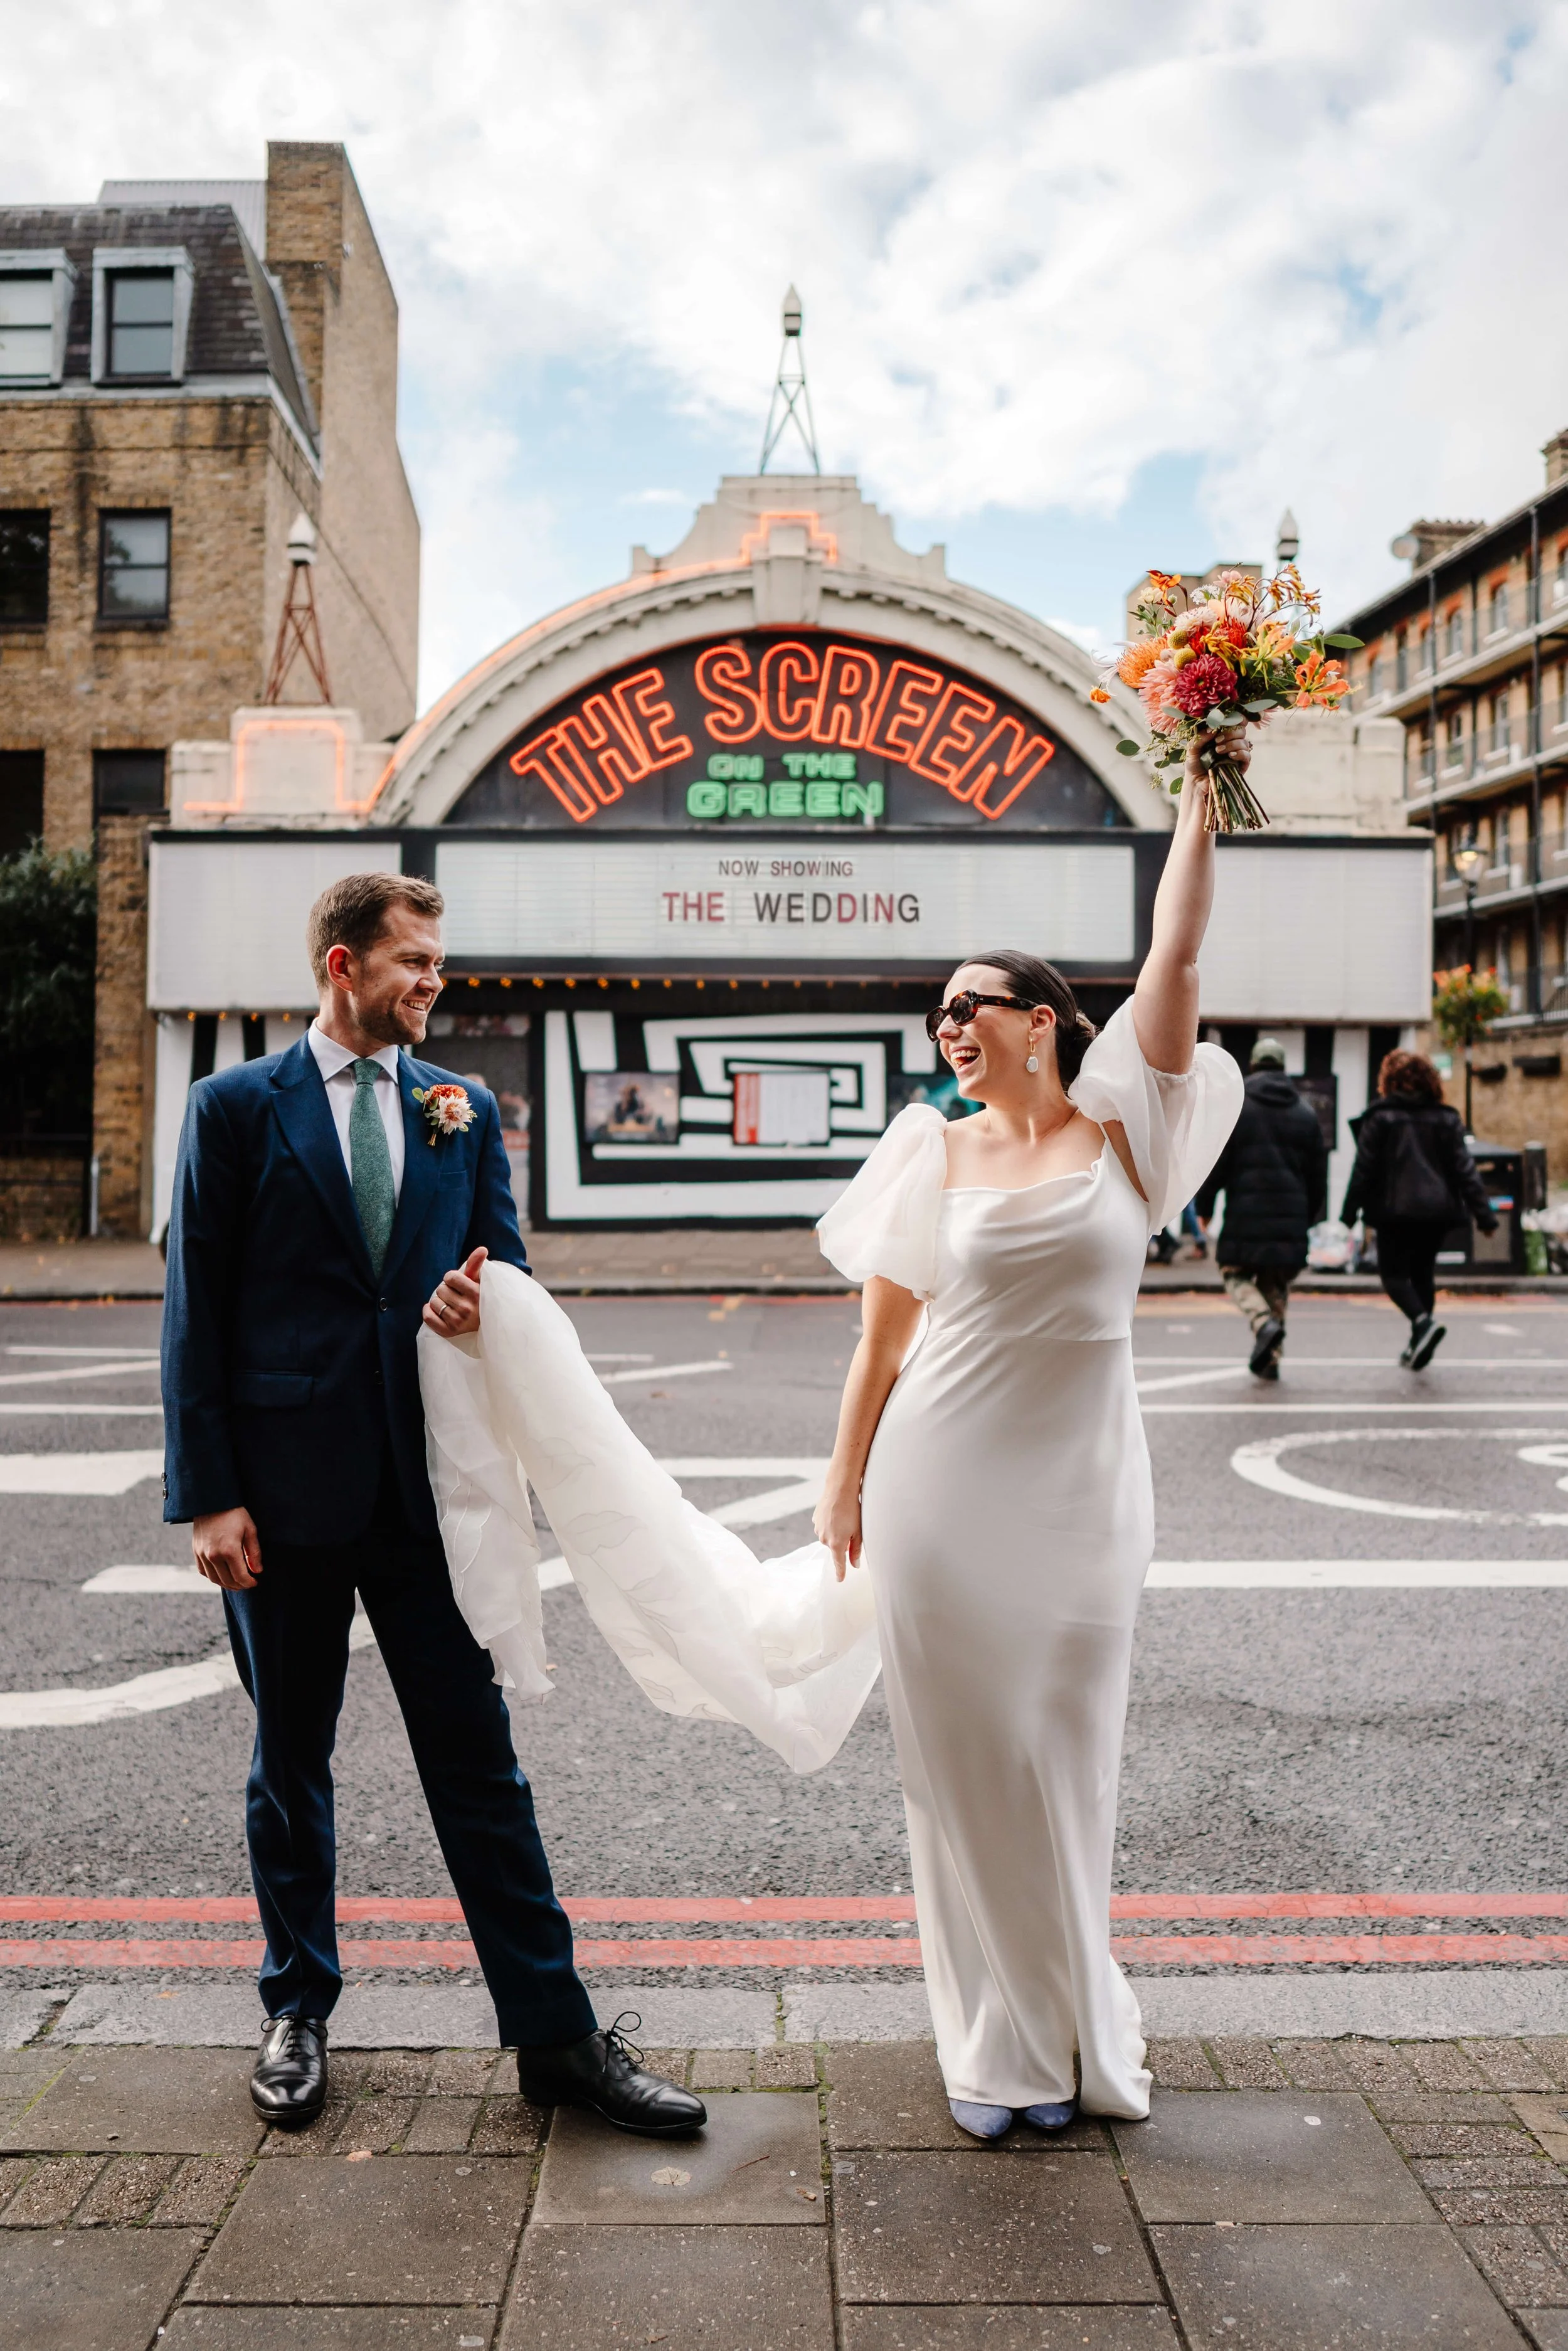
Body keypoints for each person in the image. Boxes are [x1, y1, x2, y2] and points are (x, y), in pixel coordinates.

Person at [161, 871, 704, 2140]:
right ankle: (296, 2011)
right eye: (414, 960)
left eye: (438, 962)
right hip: (281, 1500)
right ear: (344, 965)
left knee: (480, 1764)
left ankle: (556, 2035)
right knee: (290, 1764)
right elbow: (197, 1306)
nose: (433, 981)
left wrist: (476, 1306)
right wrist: (210, 1497)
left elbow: (508, 1275)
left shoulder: (461, 1108)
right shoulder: (233, 1107)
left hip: (427, 1499)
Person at [809, 738, 1244, 2138]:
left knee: (1062, 1756)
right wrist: (842, 1480)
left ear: (1041, 1020)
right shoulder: (926, 1151)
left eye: (971, 1004)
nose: (948, 1026)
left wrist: (1198, 794)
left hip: (1083, 1497)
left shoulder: (1126, 1127)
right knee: (961, 1765)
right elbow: (881, 1345)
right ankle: (996, 2045)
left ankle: (1064, 2023)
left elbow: (1175, 950)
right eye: (936, 1011)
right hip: (937, 1486)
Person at [1340, 1048, 1498, 1369]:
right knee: (1423, 1274)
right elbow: (1465, 1171)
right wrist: (1485, 1216)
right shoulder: (1447, 1119)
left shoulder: (1380, 1118)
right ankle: (1418, 1342)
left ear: (1389, 1082)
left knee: (1393, 1276)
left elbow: (1363, 1169)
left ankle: (1422, 1324)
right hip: (1437, 1213)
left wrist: (1348, 1214)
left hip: (1394, 1212)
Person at [1195, 1036, 1328, 1380]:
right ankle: (1271, 1360)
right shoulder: (1306, 1113)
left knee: (1233, 1271)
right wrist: (1309, 1217)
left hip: (1245, 1216)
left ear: (1253, 1067)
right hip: (1290, 1219)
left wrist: (1205, 1208)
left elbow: (1216, 1164)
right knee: (1275, 1285)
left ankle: (1262, 1321)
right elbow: (1318, 1177)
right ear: (1283, 1069)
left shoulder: (1238, 1108)